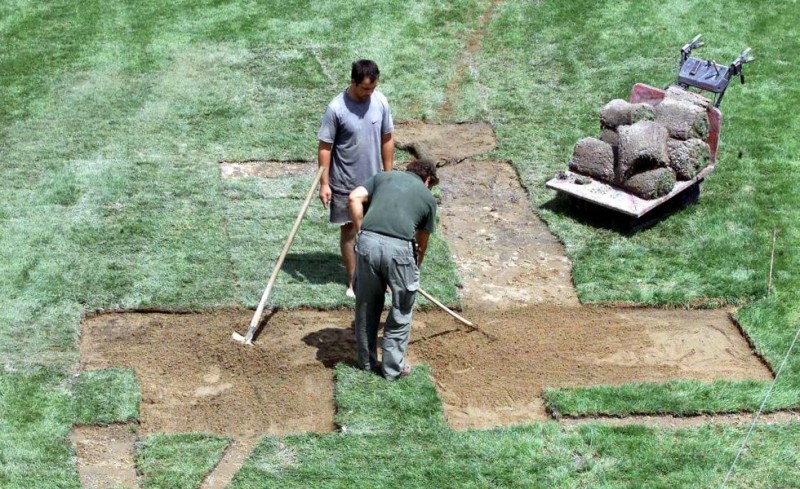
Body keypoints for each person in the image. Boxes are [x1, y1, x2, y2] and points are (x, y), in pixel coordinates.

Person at [347, 159, 439, 380]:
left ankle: (367, 364)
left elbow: (354, 197)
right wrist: (412, 270)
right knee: (401, 310)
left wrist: (362, 233)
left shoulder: (382, 177)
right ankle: (392, 370)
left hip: (367, 244)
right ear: (427, 179)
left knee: (366, 305)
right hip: (400, 251)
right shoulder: (427, 198)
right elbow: (422, 243)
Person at [317, 59, 394, 298]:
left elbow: (387, 137)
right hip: (344, 181)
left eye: (372, 88)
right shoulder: (337, 108)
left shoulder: (380, 102)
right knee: (350, 231)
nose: (369, 93)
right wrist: (324, 183)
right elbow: (325, 147)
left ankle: (383, 279)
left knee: (379, 232)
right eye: (364, 89)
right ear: (353, 82)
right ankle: (354, 280)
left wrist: (388, 175)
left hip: (374, 182)